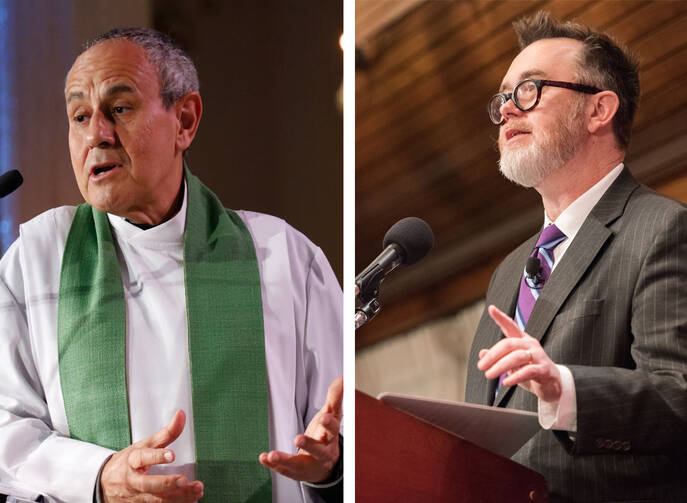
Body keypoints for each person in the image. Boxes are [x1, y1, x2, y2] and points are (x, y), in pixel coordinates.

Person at [0, 28, 343, 503]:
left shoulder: (283, 257)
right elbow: (6, 428)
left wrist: (334, 464)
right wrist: (99, 476)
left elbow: (342, 426)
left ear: (184, 119)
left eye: (119, 109)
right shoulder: (37, 259)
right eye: (79, 116)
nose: (96, 134)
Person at [465, 11, 687, 502]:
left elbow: (678, 395)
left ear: (598, 110)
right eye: (503, 97)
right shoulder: (508, 271)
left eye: (529, 90)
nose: (507, 111)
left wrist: (564, 387)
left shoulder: (662, 229)